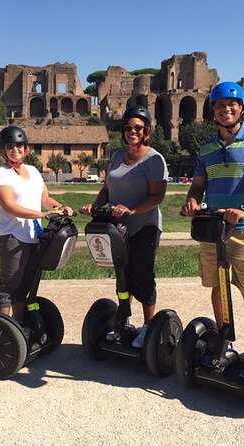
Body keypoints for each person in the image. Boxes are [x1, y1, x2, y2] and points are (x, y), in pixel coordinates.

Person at [180, 81, 244, 355]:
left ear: (241, 108)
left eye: (231, 105)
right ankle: (226, 342)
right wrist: (192, 200)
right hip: (213, 227)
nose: (226, 109)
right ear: (213, 111)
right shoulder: (207, 148)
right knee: (217, 285)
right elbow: (198, 184)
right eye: (220, 105)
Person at [80, 105, 168, 348]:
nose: (132, 132)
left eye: (138, 128)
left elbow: (156, 197)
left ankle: (149, 327)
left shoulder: (154, 159)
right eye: (128, 128)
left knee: (143, 275)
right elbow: (107, 189)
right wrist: (95, 205)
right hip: (116, 227)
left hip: (144, 226)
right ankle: (124, 320)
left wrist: (132, 210)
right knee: (122, 275)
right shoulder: (118, 156)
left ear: (146, 131)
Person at [0, 125, 74, 322]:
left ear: (26, 149)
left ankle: (18, 325)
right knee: (9, 285)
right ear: (3, 150)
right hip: (13, 236)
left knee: (26, 284)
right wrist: (43, 214)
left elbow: (45, 198)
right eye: (10, 146)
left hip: (34, 236)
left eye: (19, 146)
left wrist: (60, 207)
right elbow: (10, 206)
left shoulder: (33, 171)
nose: (15, 150)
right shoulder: (0, 174)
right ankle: (3, 326)